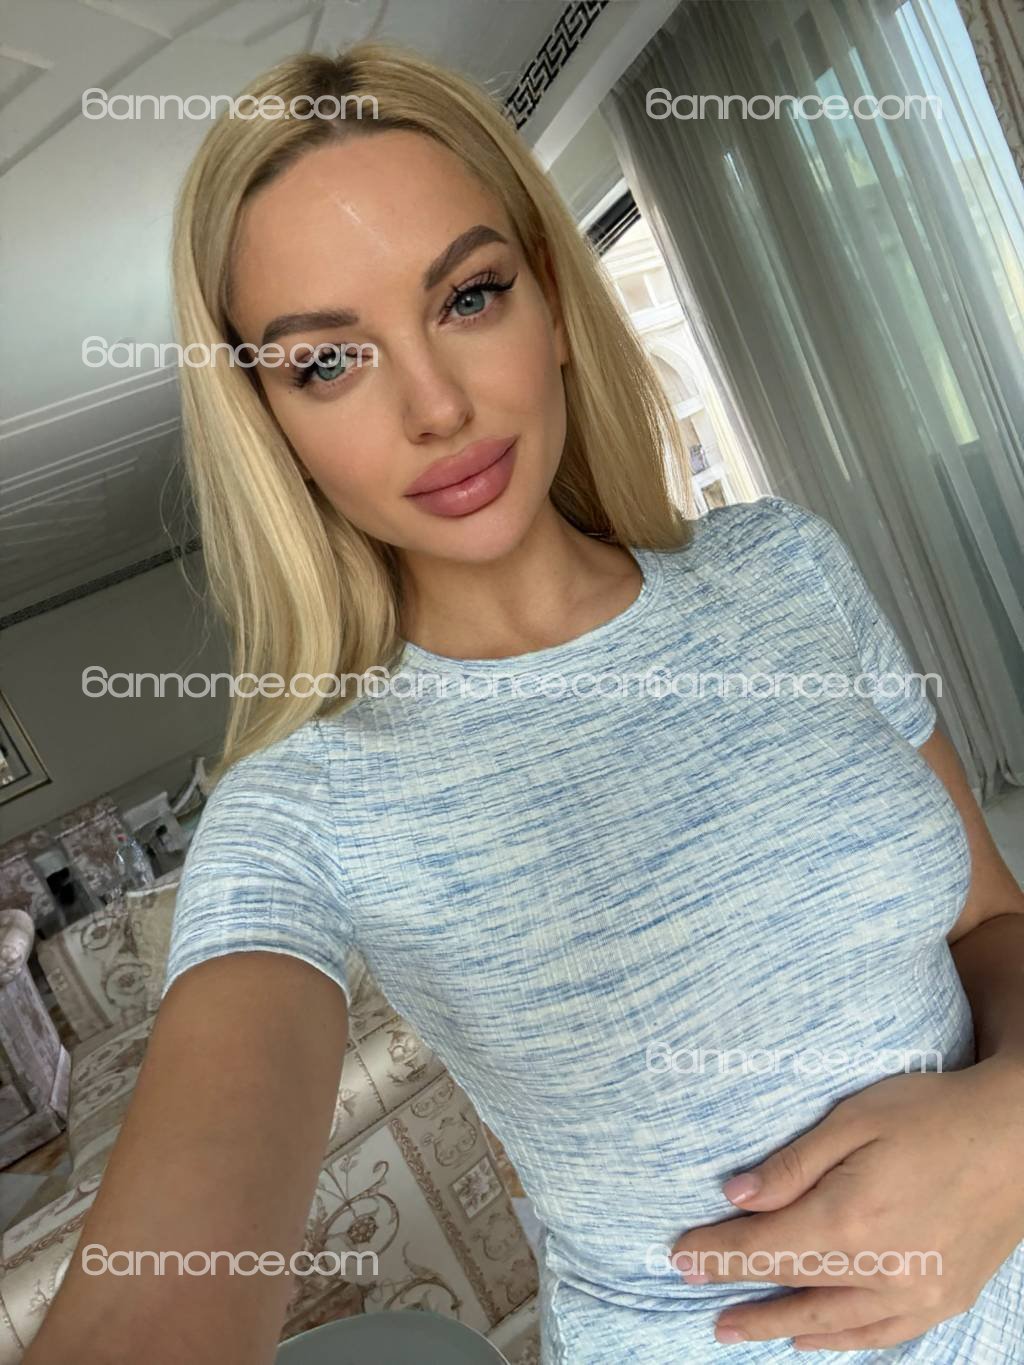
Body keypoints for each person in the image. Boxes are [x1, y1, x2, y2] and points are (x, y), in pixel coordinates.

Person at [24, 41, 1024, 1365]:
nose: (436, 405)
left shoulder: (785, 568)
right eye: (328, 362)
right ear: (269, 421)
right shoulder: (297, 812)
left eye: (470, 296)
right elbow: (154, 1304)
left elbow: (989, 918)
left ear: (550, 301)